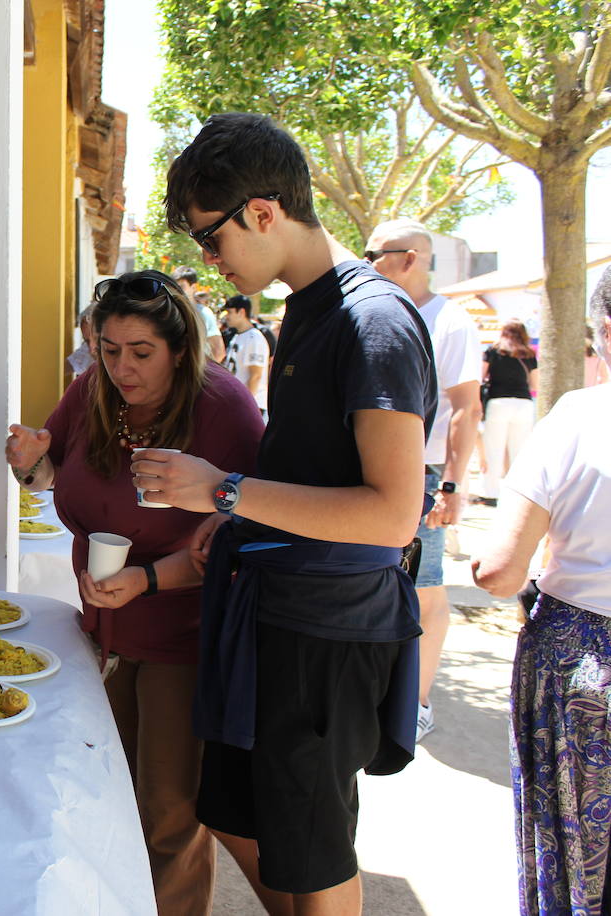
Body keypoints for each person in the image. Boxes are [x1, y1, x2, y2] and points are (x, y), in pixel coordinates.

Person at [152, 112, 435, 915]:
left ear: (265, 212)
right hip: (274, 609)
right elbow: (314, 459)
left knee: (312, 852)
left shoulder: (372, 321)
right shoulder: (308, 305)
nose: (208, 260)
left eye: (213, 238)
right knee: (237, 809)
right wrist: (239, 514)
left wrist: (224, 491)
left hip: (329, 629)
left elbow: (391, 514)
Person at [5, 270, 263, 915]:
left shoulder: (223, 409)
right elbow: (50, 472)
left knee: (168, 815)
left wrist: (147, 579)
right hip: (102, 631)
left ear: (180, 348)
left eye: (141, 353)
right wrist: (29, 461)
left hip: (184, 634)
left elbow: (244, 539)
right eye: (109, 350)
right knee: (103, 795)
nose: (121, 368)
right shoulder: (94, 391)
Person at [471, 283, 611, 915]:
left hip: (580, 660)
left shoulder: (581, 417)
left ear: (604, 331)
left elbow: (500, 570)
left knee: (579, 858)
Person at [365, 218, 483, 743]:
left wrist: (452, 485)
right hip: (374, 469)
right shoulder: (373, 310)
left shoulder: (450, 320)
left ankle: (416, 701)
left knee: (426, 590)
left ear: (409, 258)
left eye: (376, 253)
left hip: (426, 474)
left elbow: (465, 408)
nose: (367, 263)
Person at [479, 319, 539, 504]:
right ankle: (518, 494)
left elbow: (481, 376)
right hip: (523, 403)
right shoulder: (529, 354)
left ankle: (490, 493)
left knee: (493, 450)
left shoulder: (492, 351)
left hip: (498, 402)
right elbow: (535, 384)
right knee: (519, 451)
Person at [221, 295, 268, 414]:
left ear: (241, 312)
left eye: (229, 312)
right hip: (236, 403)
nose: (227, 316)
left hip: (250, 406)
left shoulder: (254, 338)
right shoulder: (237, 336)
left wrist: (245, 407)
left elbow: (255, 376)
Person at [173, 266, 226, 363]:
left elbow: (218, 351)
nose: (177, 291)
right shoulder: (170, 312)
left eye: (181, 287)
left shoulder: (204, 313)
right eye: (174, 287)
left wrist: (201, 374)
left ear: (193, 287)